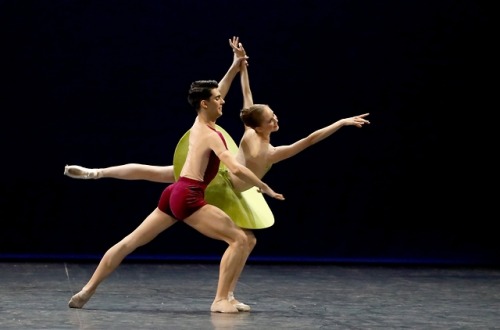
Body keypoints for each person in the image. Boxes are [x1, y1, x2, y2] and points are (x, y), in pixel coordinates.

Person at [65, 41, 370, 312]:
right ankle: (221, 299)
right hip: (194, 194)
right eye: (218, 99)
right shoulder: (216, 136)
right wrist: (265, 187)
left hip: (177, 191)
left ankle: (87, 289)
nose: (223, 100)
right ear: (206, 104)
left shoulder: (201, 123)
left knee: (134, 231)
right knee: (241, 238)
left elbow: (230, 94)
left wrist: (237, 66)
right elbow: (237, 166)